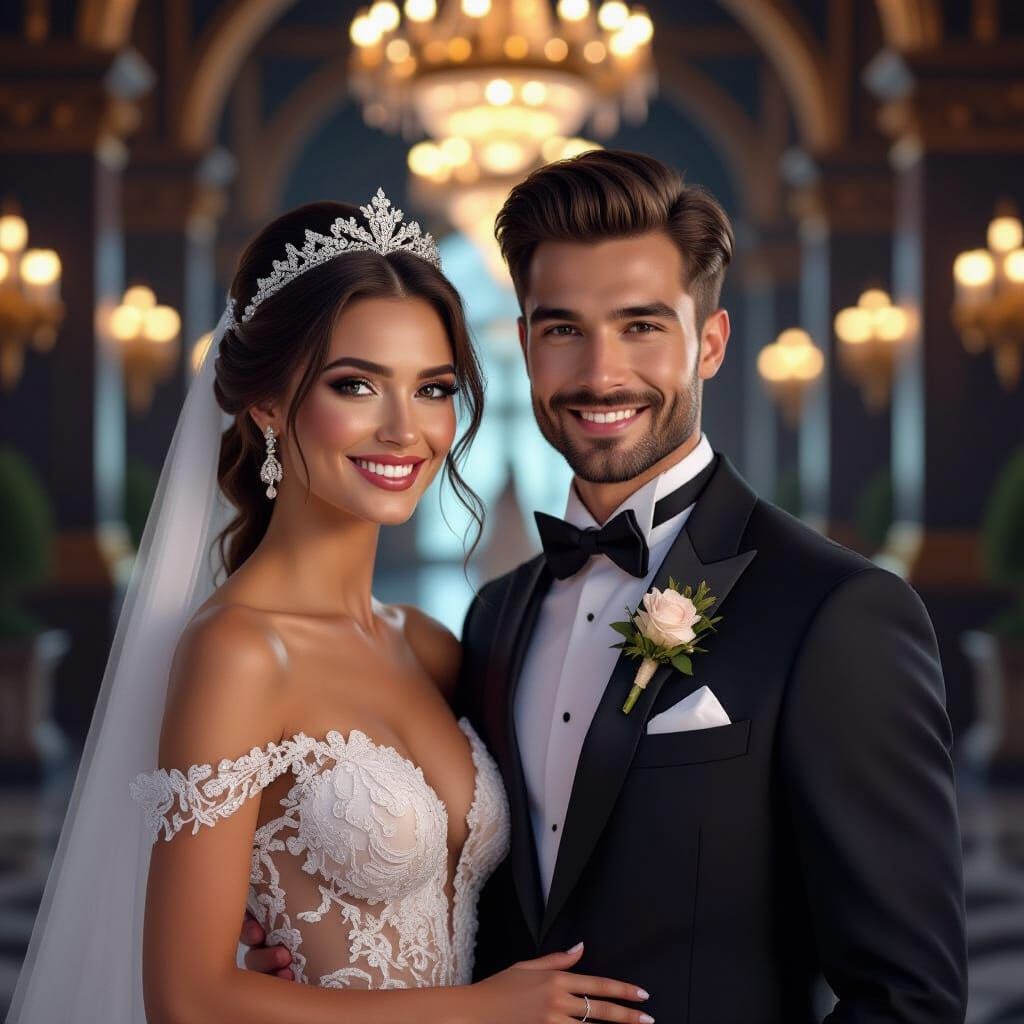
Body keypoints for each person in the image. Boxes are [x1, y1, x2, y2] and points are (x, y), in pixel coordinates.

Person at [7, 191, 651, 1024]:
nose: (405, 429)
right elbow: (188, 998)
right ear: (268, 403)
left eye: (432, 388)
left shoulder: (425, 645)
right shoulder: (238, 653)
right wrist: (483, 1013)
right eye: (356, 385)